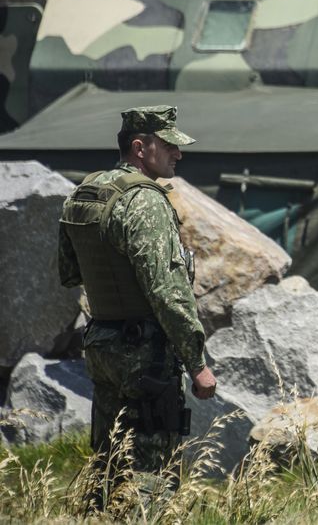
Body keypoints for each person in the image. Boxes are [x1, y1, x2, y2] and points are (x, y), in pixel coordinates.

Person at [58, 105, 216, 504]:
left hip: (101, 344)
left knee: (108, 460)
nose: (178, 154)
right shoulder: (145, 201)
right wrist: (197, 363)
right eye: (169, 146)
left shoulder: (85, 193)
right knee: (151, 472)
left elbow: (70, 272)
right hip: (145, 355)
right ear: (140, 148)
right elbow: (168, 291)